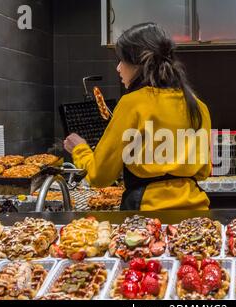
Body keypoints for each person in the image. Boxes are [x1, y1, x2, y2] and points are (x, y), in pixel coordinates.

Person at [64, 22, 212, 211]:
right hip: (196, 212)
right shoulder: (198, 106)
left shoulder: (132, 104)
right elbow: (203, 171)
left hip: (147, 217)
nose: (118, 68)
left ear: (137, 65)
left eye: (121, 61)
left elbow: (99, 176)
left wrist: (80, 150)